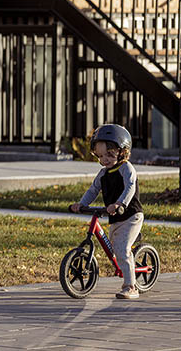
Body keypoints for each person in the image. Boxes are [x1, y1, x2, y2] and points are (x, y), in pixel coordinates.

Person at [71, 124, 144, 299]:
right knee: (114, 248)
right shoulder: (103, 173)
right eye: (101, 156)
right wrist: (81, 204)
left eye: (109, 155)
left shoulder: (126, 168)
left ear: (122, 152)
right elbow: (92, 191)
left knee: (121, 248)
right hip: (115, 217)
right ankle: (127, 268)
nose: (105, 159)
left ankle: (131, 286)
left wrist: (120, 203)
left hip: (131, 215)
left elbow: (130, 187)